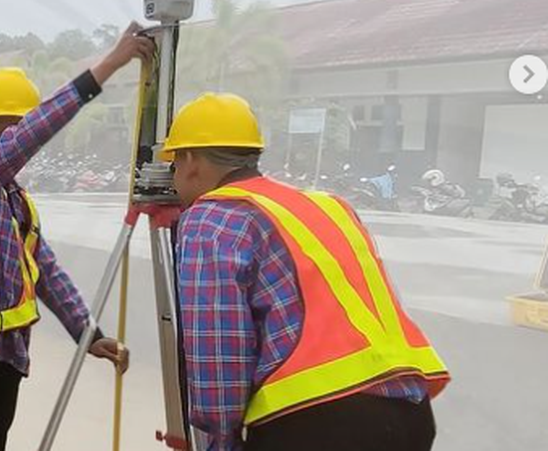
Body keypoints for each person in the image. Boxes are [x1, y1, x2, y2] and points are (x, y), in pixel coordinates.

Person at [160, 93, 451, 451]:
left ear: (190, 161)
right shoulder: (330, 205)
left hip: (318, 423)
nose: (174, 178)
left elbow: (220, 355)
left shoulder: (211, 219)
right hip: (411, 415)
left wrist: (220, 443)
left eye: (173, 164)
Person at [0, 22, 155, 451]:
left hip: (7, 353)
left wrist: (89, 333)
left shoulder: (17, 200)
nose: (26, 142)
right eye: (17, 128)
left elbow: (46, 273)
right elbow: (34, 133)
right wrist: (109, 64)